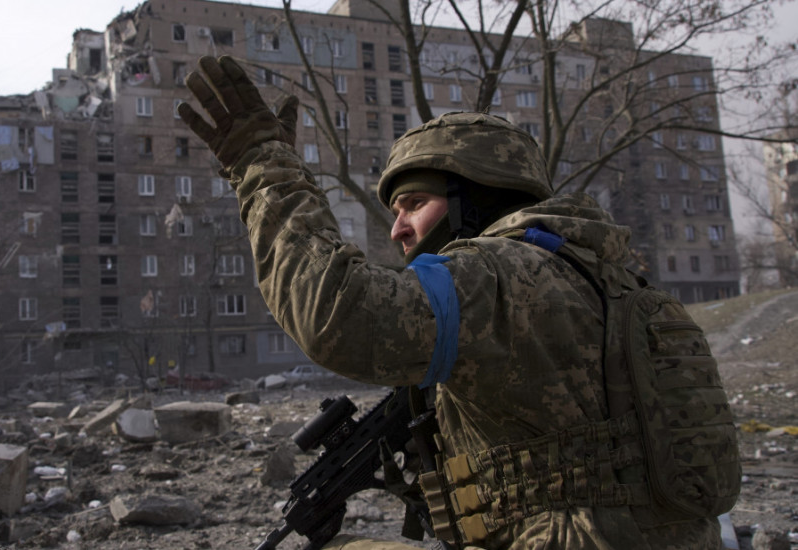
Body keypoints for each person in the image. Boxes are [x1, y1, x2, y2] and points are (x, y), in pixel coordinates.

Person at [177, 55, 730, 549]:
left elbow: (338, 316)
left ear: (477, 198)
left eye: (414, 204)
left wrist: (263, 165)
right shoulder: (606, 279)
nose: (398, 230)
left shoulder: (500, 273)